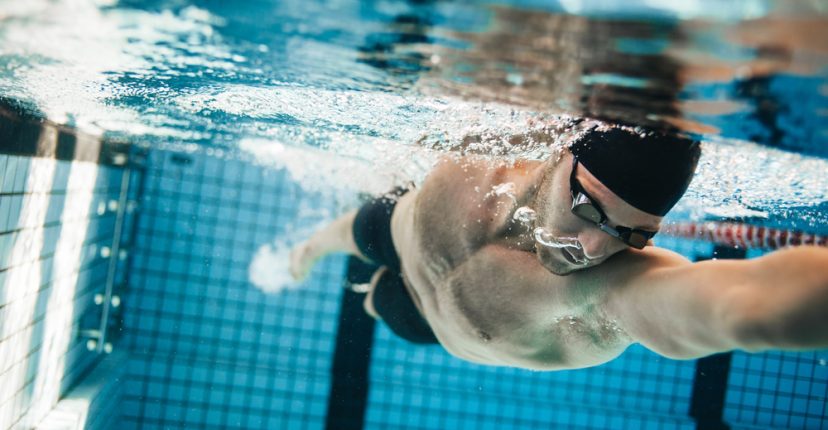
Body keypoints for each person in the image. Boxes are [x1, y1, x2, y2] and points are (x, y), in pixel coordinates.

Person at [289, 121, 828, 370]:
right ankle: (307, 252)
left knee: (375, 300)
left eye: (631, 234)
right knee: (350, 232)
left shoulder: (606, 294)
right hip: (397, 228)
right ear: (562, 153)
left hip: (428, 325)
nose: (594, 247)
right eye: (590, 209)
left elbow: (739, 304)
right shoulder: (493, 137)